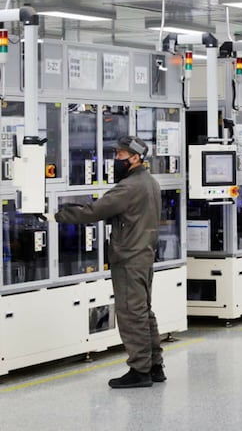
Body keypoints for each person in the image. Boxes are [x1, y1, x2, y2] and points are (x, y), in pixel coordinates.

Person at [42, 136, 164, 388]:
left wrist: (56, 215)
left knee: (130, 314)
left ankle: (140, 371)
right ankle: (155, 367)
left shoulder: (128, 187)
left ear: (135, 158)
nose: (115, 159)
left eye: (120, 155)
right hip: (144, 254)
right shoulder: (150, 182)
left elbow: (94, 211)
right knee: (143, 312)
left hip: (129, 258)